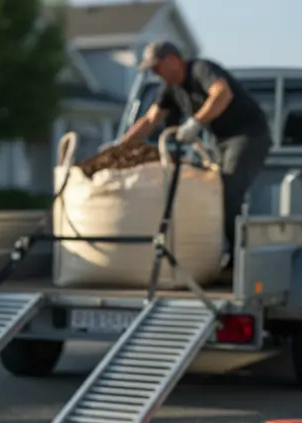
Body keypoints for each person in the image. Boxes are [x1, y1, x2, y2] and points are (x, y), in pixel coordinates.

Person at [117, 40, 273, 266]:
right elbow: (151, 119)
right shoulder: (170, 89)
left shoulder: (201, 69)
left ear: (172, 60)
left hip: (249, 136)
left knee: (227, 189)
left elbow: (222, 93)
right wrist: (121, 145)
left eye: (156, 67)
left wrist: (196, 122)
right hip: (220, 142)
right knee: (209, 191)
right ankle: (212, 253)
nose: (155, 73)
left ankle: (240, 259)